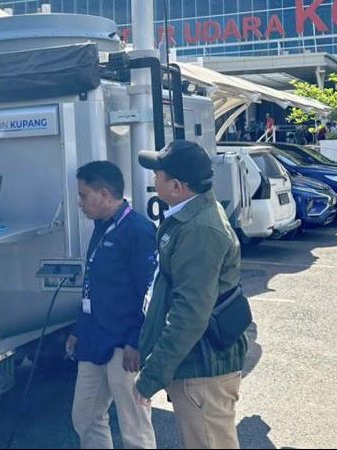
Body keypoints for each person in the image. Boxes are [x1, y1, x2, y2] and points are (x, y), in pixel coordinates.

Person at [135, 140, 248, 449]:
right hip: (198, 362)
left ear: (176, 186)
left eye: (157, 173)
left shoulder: (200, 229)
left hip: (202, 367)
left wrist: (152, 376)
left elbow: (189, 314)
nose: (153, 178)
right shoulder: (192, 215)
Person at [67, 161, 158, 449]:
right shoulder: (101, 226)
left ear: (104, 194)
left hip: (125, 346)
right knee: (85, 416)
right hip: (94, 339)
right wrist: (78, 330)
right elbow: (92, 285)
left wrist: (136, 341)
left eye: (83, 195)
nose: (80, 203)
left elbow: (150, 292)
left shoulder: (138, 230)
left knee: (134, 428)